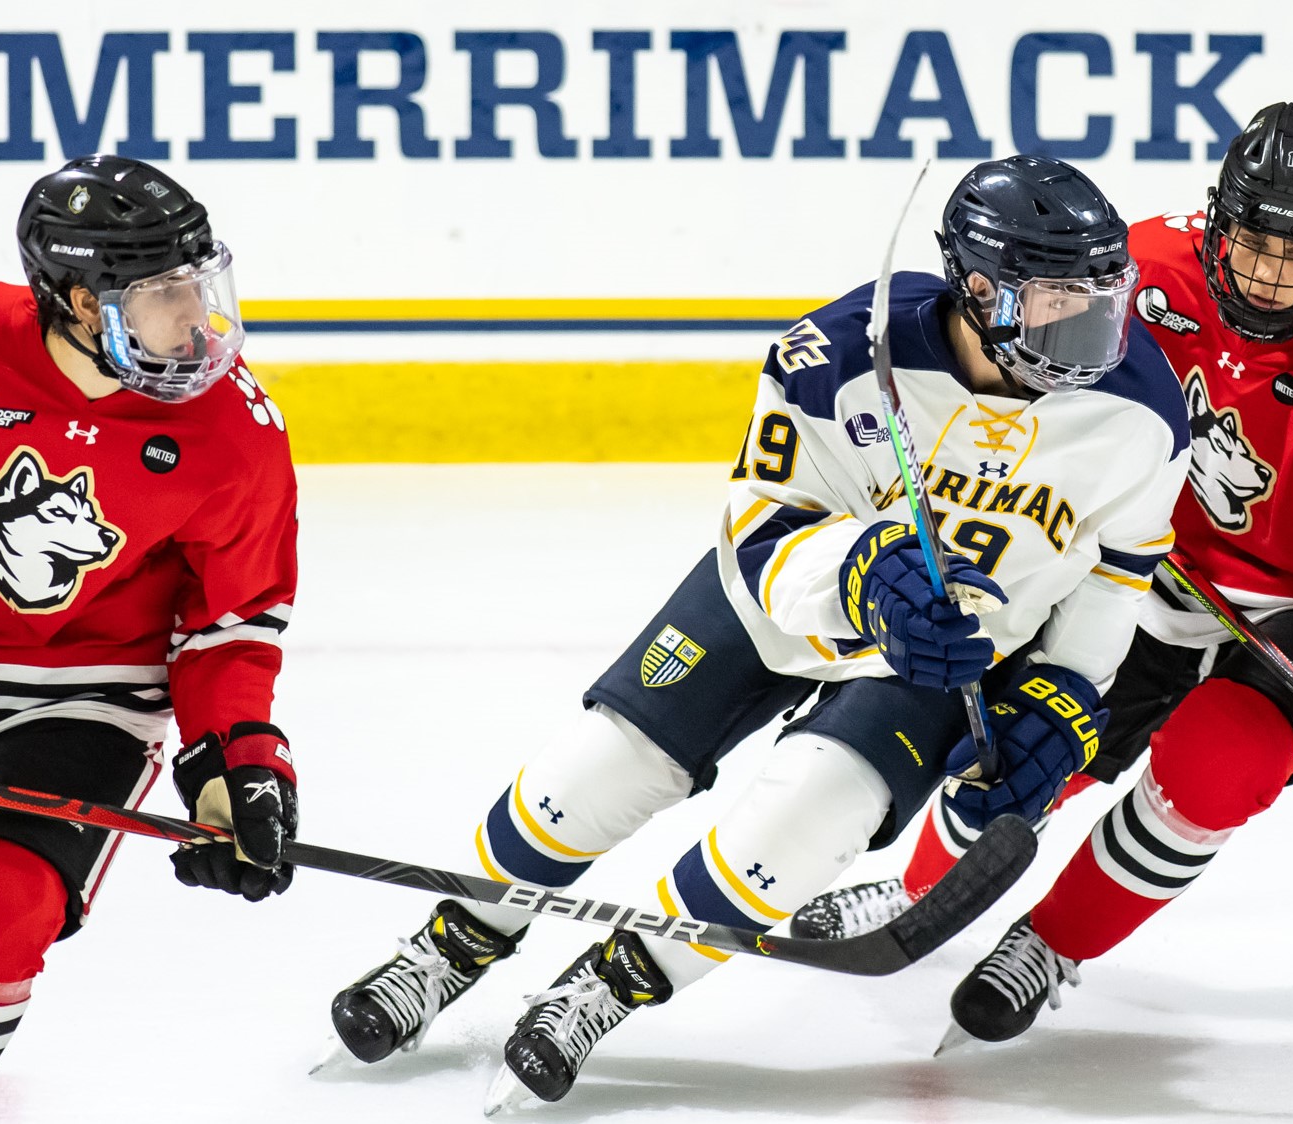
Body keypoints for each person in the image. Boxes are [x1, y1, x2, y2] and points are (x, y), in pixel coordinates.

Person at [322, 155, 1189, 1110]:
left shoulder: (1143, 411)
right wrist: (860, 573)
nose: (1093, 334)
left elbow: (1117, 576)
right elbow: (762, 530)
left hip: (941, 650)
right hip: (774, 601)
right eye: (1061, 303)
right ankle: (449, 946)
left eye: (1105, 302)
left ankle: (603, 989)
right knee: (593, 777)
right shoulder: (837, 354)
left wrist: (1064, 690)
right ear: (981, 291)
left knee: (803, 826)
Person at [792, 103, 1293, 1047]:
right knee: (1032, 732)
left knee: (1218, 760)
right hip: (1142, 563)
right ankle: (918, 885)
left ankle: (1051, 944)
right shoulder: (1135, 274)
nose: (1272, 276)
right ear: (1217, 217)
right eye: (1252, 242)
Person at [0, 155, 299, 1122]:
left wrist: (233, 762)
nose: (202, 323)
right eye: (168, 297)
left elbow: (231, 627)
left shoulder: (236, 429)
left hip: (83, 703)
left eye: (202, 288)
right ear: (82, 304)